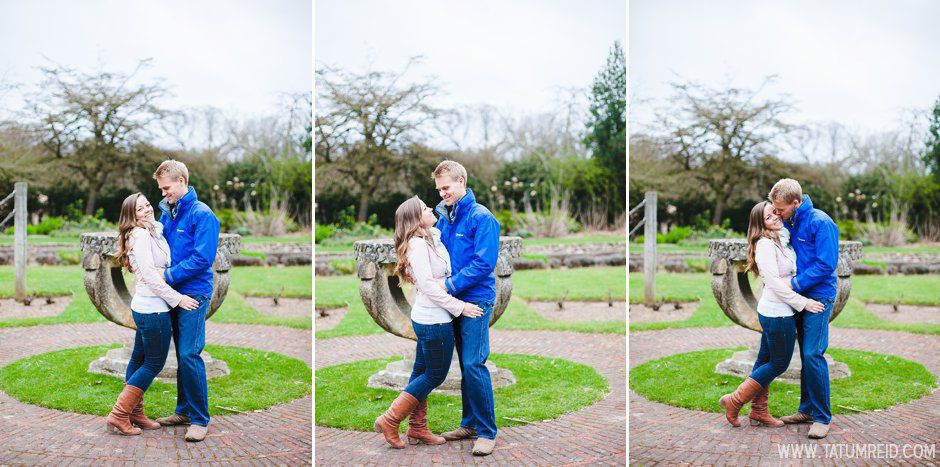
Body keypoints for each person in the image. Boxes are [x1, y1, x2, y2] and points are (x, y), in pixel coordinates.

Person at [373, 196, 484, 449]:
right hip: (433, 320)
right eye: (425, 208)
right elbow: (427, 286)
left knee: (420, 374)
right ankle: (391, 420)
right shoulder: (418, 245)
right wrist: (461, 307)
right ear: (415, 218)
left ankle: (417, 428)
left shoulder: (427, 238)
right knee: (435, 374)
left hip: (429, 317)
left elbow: (436, 266)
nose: (431, 208)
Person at [718, 201, 824, 428]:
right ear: (760, 224)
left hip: (778, 310)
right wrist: (803, 303)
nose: (776, 217)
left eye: (775, 212)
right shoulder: (765, 244)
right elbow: (775, 283)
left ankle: (758, 411)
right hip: (778, 313)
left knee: (763, 361)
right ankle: (734, 400)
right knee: (778, 364)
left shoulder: (780, 238)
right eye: (769, 216)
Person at [107, 193, 199, 435]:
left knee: (138, 360)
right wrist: (178, 299)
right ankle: (119, 415)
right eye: (140, 208)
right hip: (153, 309)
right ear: (132, 215)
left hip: (145, 306)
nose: (148, 209)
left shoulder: (148, 231)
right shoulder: (139, 234)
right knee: (154, 363)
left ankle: (135, 414)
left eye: (148, 204)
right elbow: (149, 276)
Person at [431, 161, 501, 456]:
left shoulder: (482, 217)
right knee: (464, 365)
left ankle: (487, 432)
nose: (442, 193)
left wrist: (449, 286)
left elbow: (485, 263)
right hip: (453, 302)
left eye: (446, 187)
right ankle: (469, 423)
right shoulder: (444, 217)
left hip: (476, 300)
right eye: (439, 189)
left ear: (461, 182)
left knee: (474, 363)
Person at [150, 160, 221, 442]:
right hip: (172, 294)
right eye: (161, 189)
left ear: (181, 181)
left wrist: (167, 275)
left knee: (190, 353)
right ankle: (183, 411)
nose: (164, 193)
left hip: (194, 293)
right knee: (181, 354)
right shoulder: (167, 212)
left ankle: (200, 419)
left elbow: (203, 258)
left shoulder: (203, 215)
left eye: (167, 188)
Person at [769, 178, 840, 439]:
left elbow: (826, 264)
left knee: (813, 354)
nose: (777, 214)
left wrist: (794, 283)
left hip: (819, 296)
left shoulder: (821, 222)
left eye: (781, 209)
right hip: (797, 297)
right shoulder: (790, 221)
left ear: (796, 203)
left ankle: (822, 418)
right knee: (805, 355)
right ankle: (806, 409)